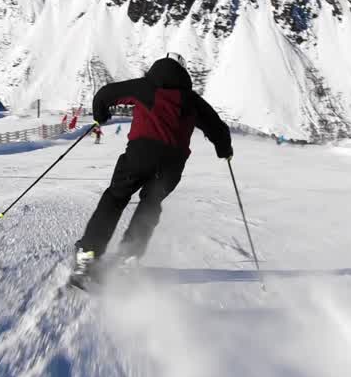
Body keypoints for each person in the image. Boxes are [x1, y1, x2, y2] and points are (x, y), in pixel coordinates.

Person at [71, 54, 233, 285]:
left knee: (116, 197)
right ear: (184, 73)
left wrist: (101, 115)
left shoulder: (145, 87)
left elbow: (105, 94)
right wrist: (224, 150)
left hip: (140, 154)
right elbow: (218, 128)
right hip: (172, 165)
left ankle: (87, 258)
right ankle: (128, 259)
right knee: (150, 205)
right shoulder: (192, 100)